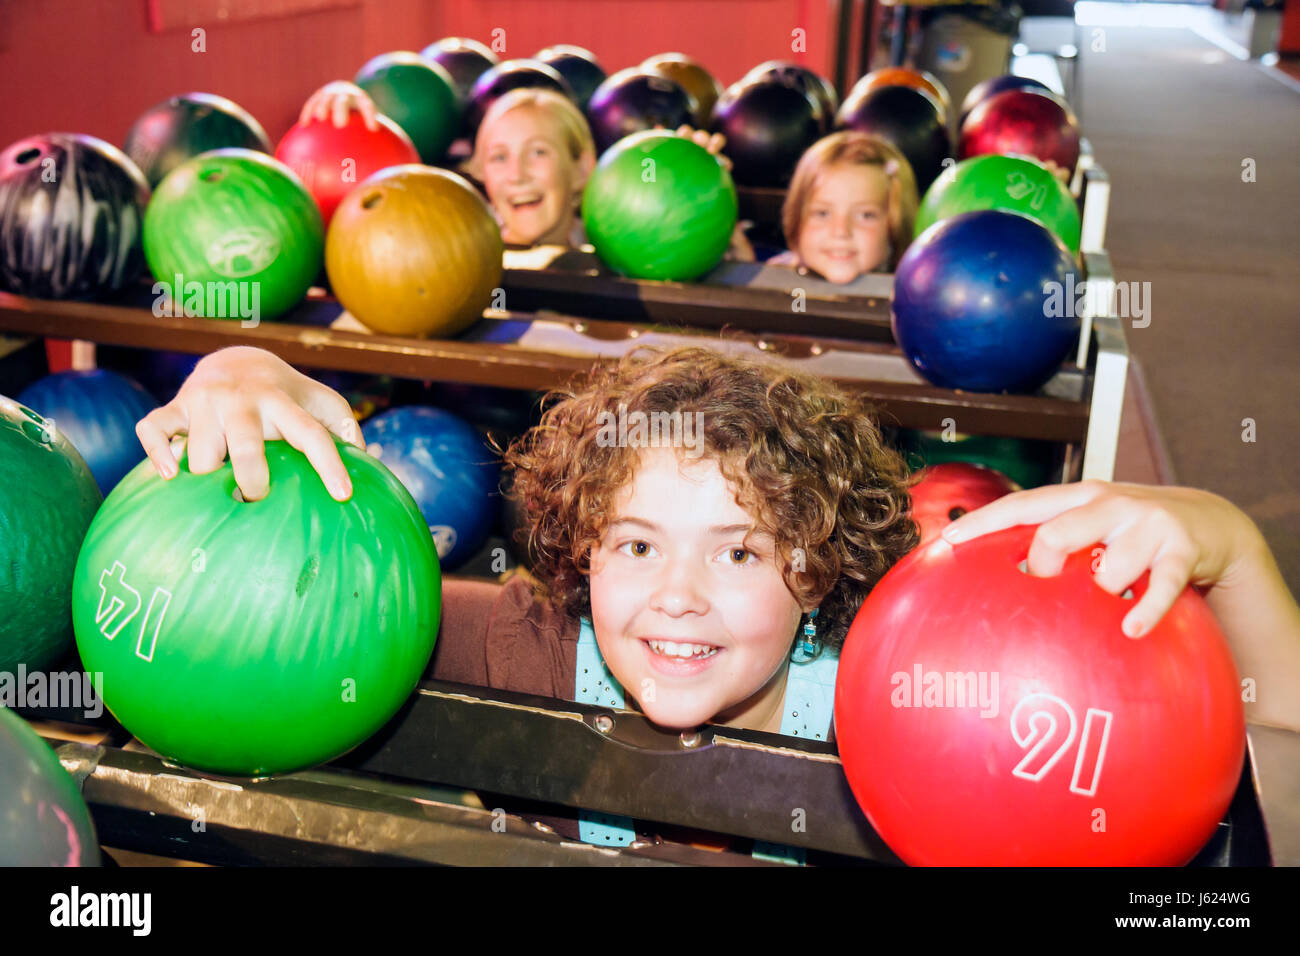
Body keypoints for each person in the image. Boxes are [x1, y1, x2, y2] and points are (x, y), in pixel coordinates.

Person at [136, 345, 1300, 740]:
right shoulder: (520, 641)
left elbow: (1274, 742)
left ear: (820, 570)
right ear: (576, 548)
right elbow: (276, 608)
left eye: (741, 552)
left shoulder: (895, 697)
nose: (676, 597)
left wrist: (1231, 544)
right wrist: (242, 371)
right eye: (635, 544)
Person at [299, 82, 753, 256]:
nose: (516, 174)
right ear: (482, 176)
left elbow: (739, 274)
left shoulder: (614, 244)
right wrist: (347, 102)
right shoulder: (457, 245)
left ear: (581, 170)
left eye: (538, 153)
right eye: (499, 157)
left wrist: (701, 196)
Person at [766, 131, 919, 282]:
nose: (840, 231)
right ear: (797, 220)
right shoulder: (772, 279)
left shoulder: (914, 292)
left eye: (866, 215)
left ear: (895, 226)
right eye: (823, 213)